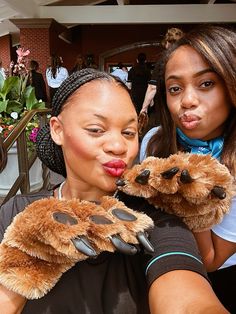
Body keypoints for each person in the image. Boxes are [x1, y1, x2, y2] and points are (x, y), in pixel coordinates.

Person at [0, 68, 228, 314]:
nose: (119, 146)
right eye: (96, 129)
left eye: (129, 133)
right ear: (57, 130)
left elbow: (189, 300)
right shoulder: (16, 212)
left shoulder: (154, 220)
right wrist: (26, 260)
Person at [139, 25, 236, 313]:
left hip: (217, 280)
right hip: (155, 264)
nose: (187, 101)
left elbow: (211, 260)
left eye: (206, 84)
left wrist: (195, 198)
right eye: (175, 88)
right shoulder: (154, 141)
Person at [139, 28, 184, 133]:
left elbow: (152, 87)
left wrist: (144, 108)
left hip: (164, 107)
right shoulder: (188, 60)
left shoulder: (164, 61)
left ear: (167, 43)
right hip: (181, 105)